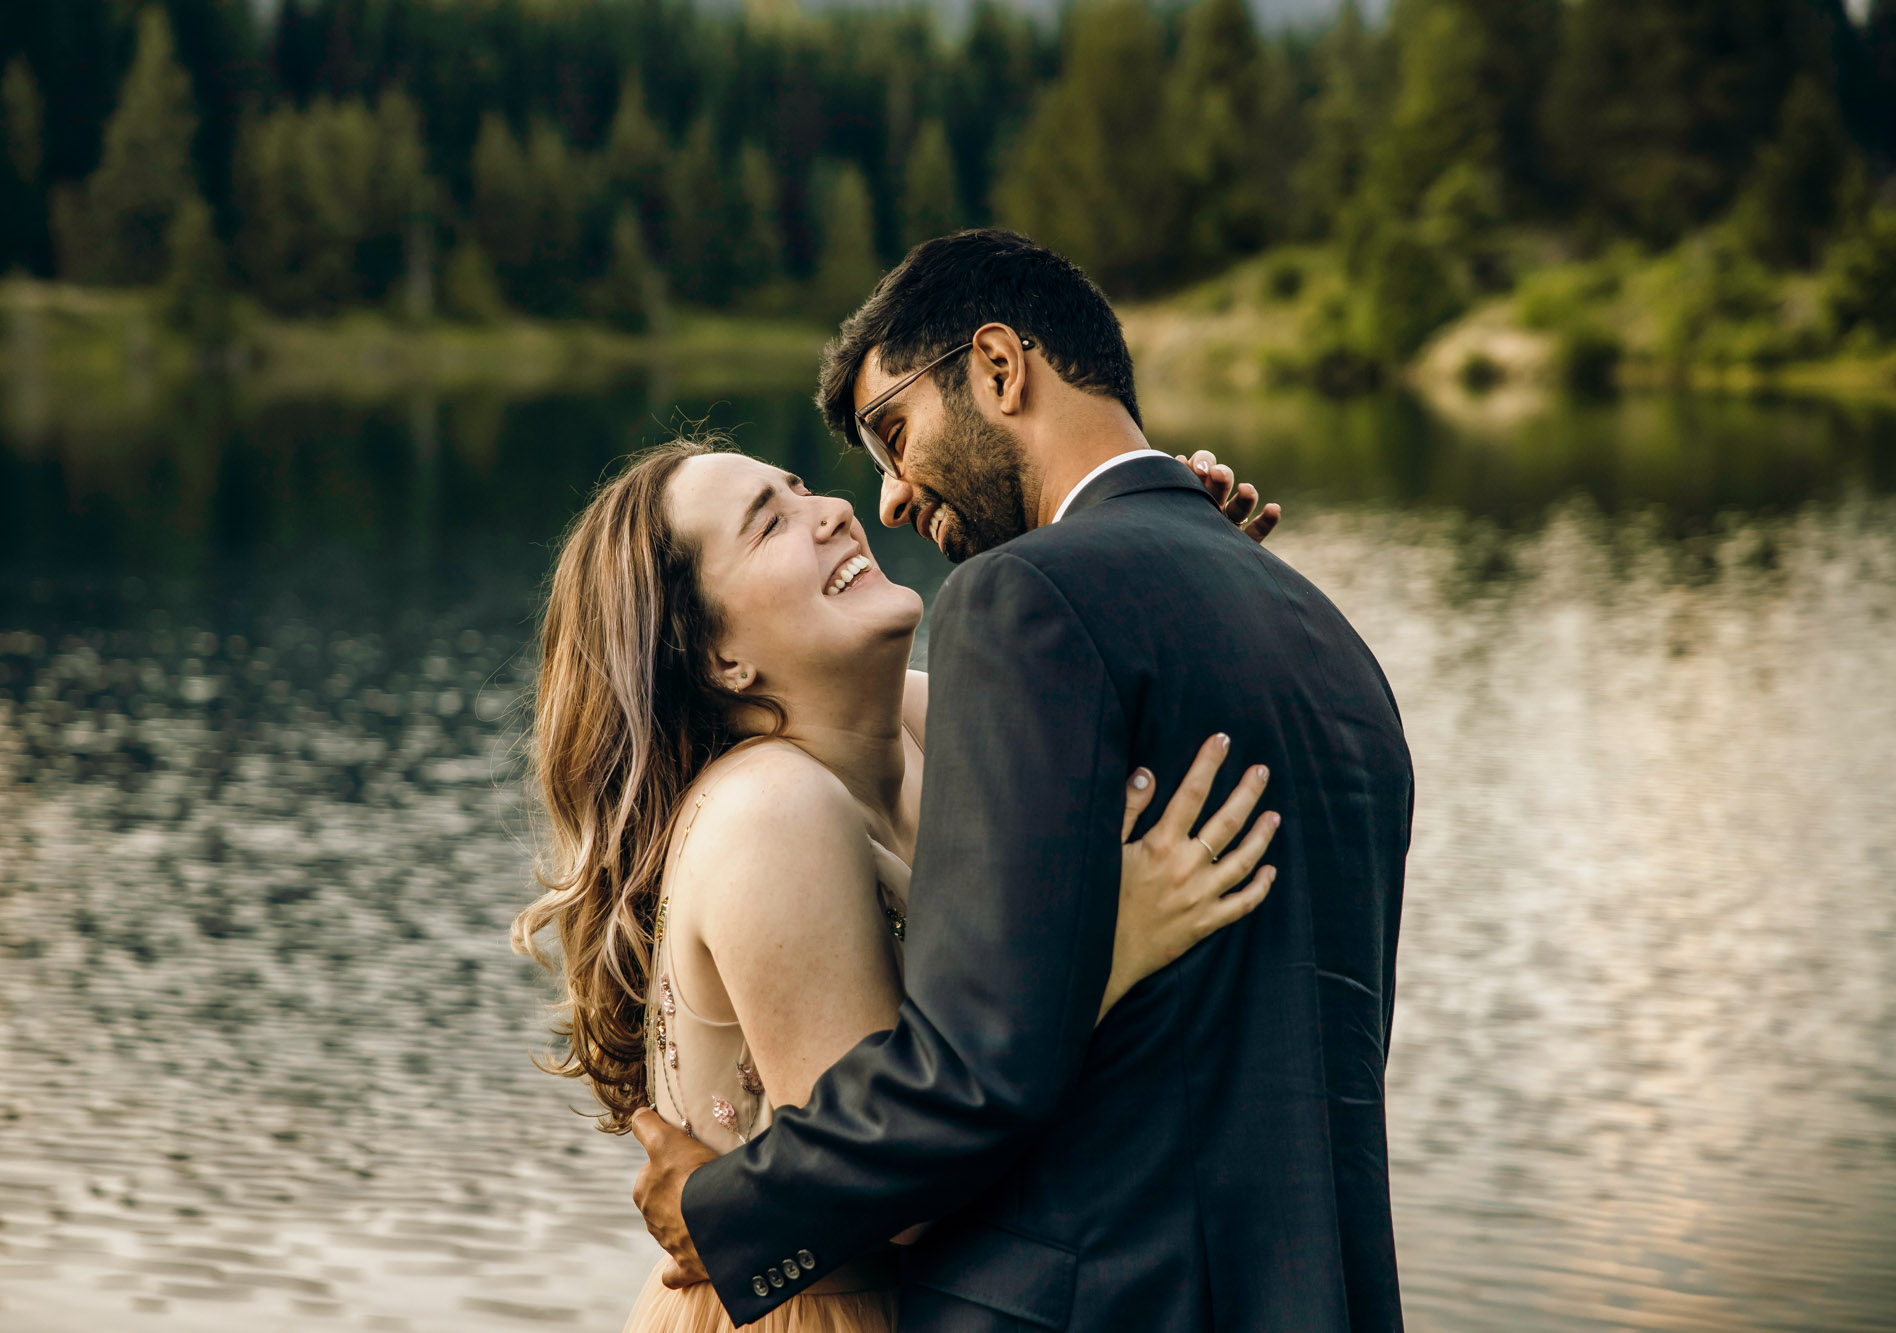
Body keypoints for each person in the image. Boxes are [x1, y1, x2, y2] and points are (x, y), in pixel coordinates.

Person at [629, 230, 1413, 1332]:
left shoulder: (1023, 603)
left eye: (892, 433)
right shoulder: (1327, 641)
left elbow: (975, 1065)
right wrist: (1179, 557)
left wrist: (727, 1211)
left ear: (998, 369)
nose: (886, 498)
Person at [513, 433, 1282, 1332]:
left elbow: (1125, 743)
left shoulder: (923, 715)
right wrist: (1107, 954)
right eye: (770, 526)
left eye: (800, 488)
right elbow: (896, 1198)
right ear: (722, 660)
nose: (835, 509)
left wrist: (1172, 567)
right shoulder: (774, 808)